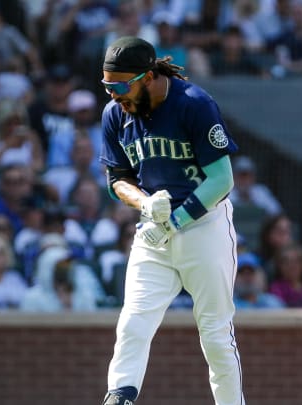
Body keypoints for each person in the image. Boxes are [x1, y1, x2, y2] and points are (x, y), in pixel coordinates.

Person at [98, 37, 244, 405]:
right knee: (133, 321)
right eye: (107, 86)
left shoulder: (193, 103)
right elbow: (117, 180)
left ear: (148, 77)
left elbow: (222, 180)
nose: (114, 95)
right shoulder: (115, 115)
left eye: (120, 85)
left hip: (203, 224)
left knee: (215, 335)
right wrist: (146, 205)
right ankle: (119, 397)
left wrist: (176, 220)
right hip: (155, 228)